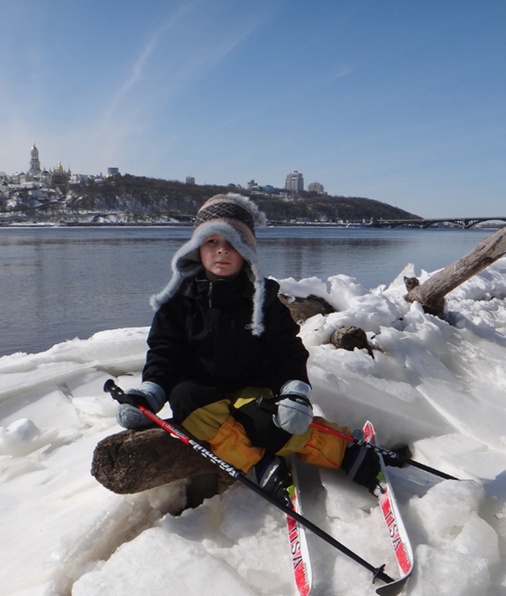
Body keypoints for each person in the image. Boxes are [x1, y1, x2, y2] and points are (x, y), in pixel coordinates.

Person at [115, 192, 391, 503]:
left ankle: (346, 452)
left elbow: (285, 350)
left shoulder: (263, 299)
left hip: (250, 388)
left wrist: (293, 391)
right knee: (186, 401)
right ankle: (259, 463)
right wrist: (150, 392)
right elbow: (164, 352)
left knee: (272, 427)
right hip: (200, 395)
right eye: (211, 242)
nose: (222, 250)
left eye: (233, 243)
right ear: (197, 248)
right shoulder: (176, 301)